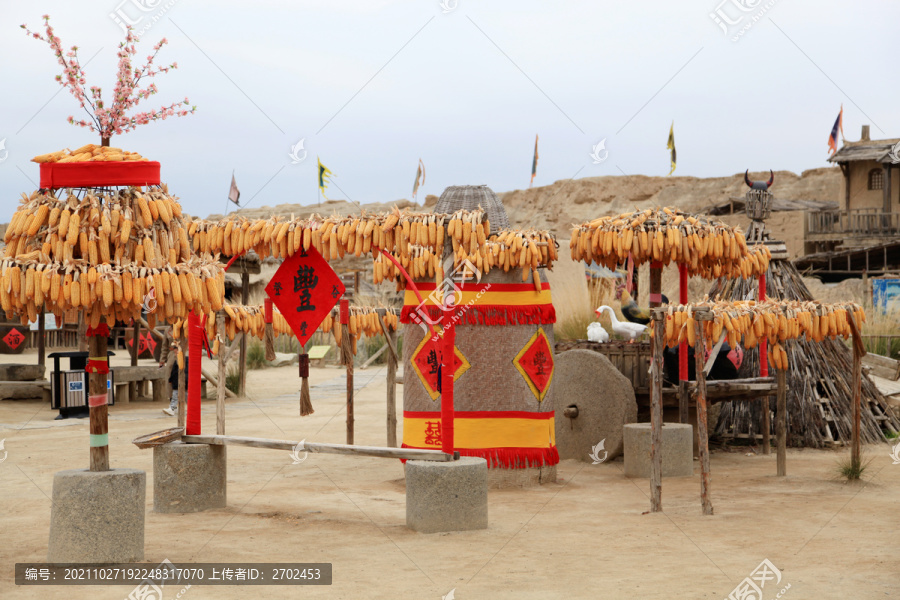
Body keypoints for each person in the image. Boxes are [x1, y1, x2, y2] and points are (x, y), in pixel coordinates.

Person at [158, 329, 186, 417]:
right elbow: (164, 346)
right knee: (170, 378)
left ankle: (179, 404)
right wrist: (162, 359)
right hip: (172, 356)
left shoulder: (185, 327)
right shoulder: (168, 330)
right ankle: (172, 403)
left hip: (184, 354)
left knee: (185, 378)